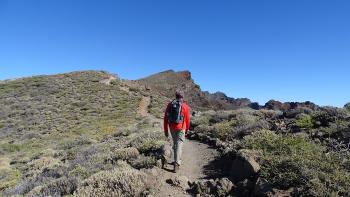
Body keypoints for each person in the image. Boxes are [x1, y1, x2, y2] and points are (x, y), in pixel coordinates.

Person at [164, 90, 191, 173]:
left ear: (175, 96)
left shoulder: (170, 104)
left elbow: (165, 118)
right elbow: (188, 120)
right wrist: (187, 129)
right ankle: (176, 163)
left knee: (175, 143)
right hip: (181, 128)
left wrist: (166, 130)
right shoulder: (185, 106)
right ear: (182, 97)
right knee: (179, 144)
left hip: (172, 127)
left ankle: (176, 160)